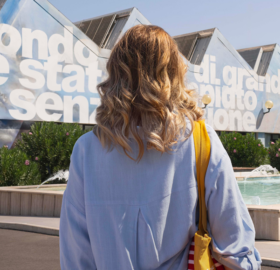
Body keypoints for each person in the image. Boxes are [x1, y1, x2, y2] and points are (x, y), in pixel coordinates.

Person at [59, 25, 261, 270]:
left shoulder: (86, 151)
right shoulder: (199, 139)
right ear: (173, 73)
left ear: (116, 73)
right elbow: (236, 246)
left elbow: (76, 256)